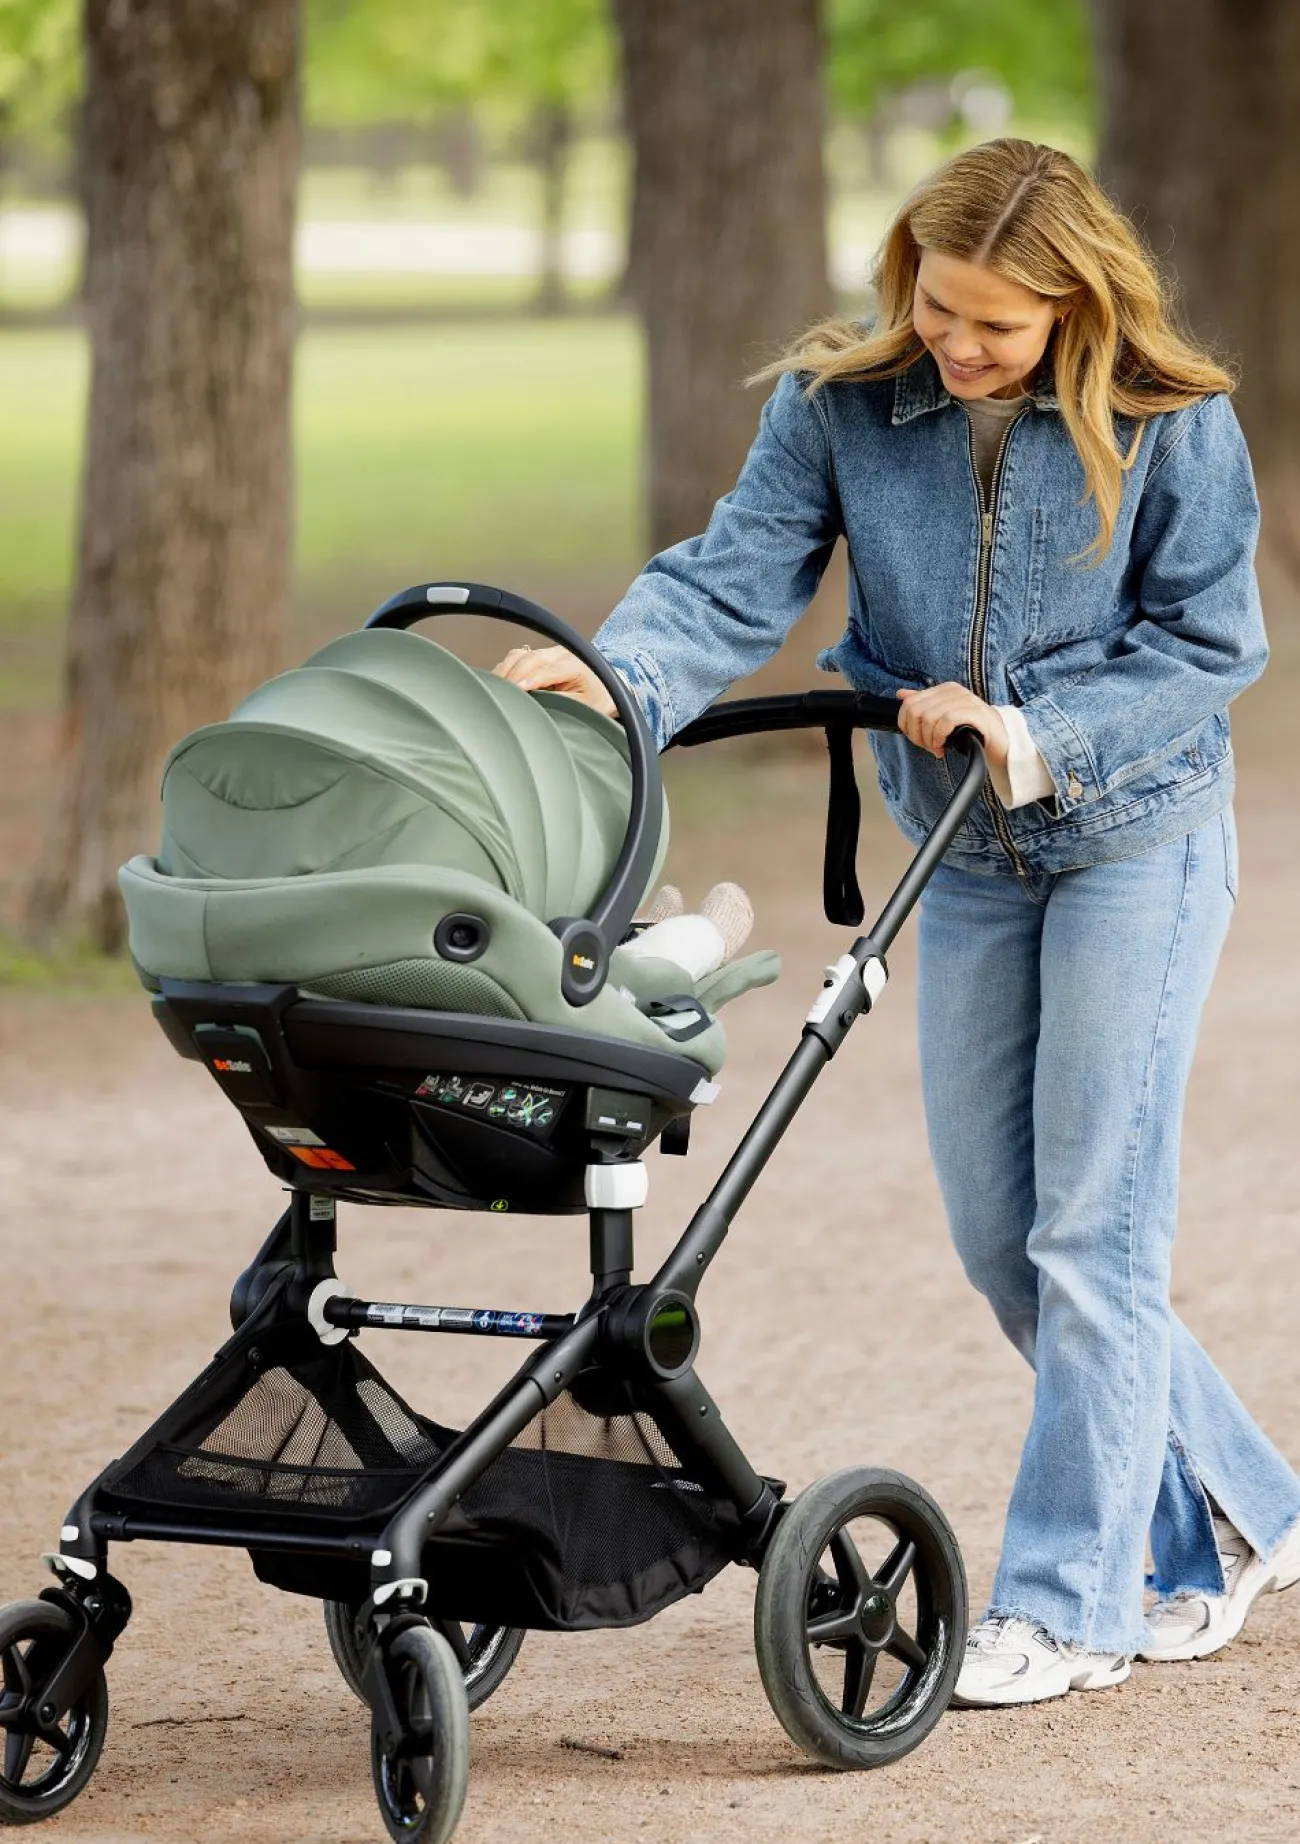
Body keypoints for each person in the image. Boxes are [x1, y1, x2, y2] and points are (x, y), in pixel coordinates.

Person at [494, 138, 1300, 1707]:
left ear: (1077, 306)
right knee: (1006, 1242)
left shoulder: (1170, 420)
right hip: (965, 855)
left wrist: (1034, 731)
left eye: (999, 324)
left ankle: (1073, 1604)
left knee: (1092, 1233)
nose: (960, 345)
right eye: (940, 308)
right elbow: (732, 579)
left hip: (1134, 842)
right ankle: (1245, 1505)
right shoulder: (842, 406)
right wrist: (618, 679)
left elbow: (1213, 644)